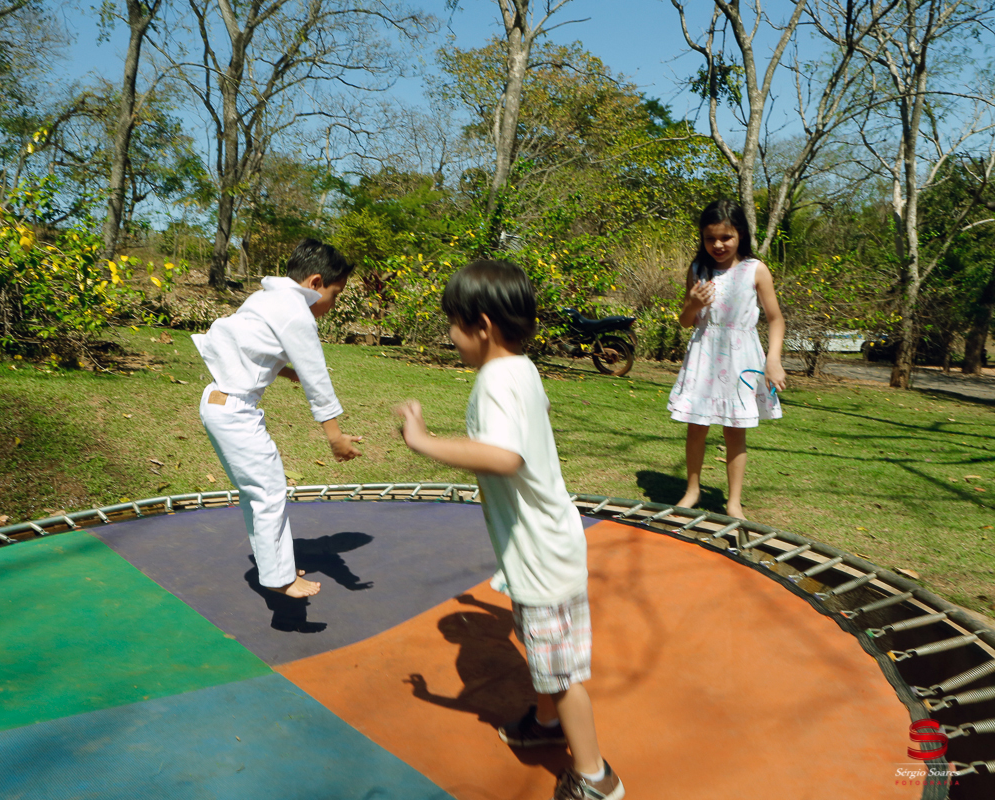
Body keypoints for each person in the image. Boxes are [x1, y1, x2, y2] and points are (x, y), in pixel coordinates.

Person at [395, 260, 624, 800]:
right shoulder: (519, 368)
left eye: (452, 323)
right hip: (543, 545)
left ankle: (596, 779)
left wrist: (423, 441)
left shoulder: (497, 380)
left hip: (542, 554)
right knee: (544, 651)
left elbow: (503, 457)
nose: (450, 336)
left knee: (562, 674)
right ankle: (546, 726)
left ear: (481, 324)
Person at [192, 238, 361, 599]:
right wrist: (334, 435)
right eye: (336, 293)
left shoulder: (264, 298)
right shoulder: (297, 313)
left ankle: (274, 565)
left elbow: (248, 346)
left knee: (257, 493)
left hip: (216, 403)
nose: (334, 303)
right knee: (268, 493)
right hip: (235, 413)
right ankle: (280, 578)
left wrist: (285, 373)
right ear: (315, 283)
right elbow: (318, 378)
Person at [668, 199, 786, 520]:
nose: (718, 245)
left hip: (741, 359)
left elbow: (775, 319)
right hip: (704, 357)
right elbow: (686, 320)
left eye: (726, 237)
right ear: (702, 238)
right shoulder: (698, 270)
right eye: (710, 238)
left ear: (741, 234)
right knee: (697, 426)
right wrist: (692, 303)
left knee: (735, 429)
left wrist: (773, 359)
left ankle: (734, 502)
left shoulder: (755, 270)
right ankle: (692, 491)